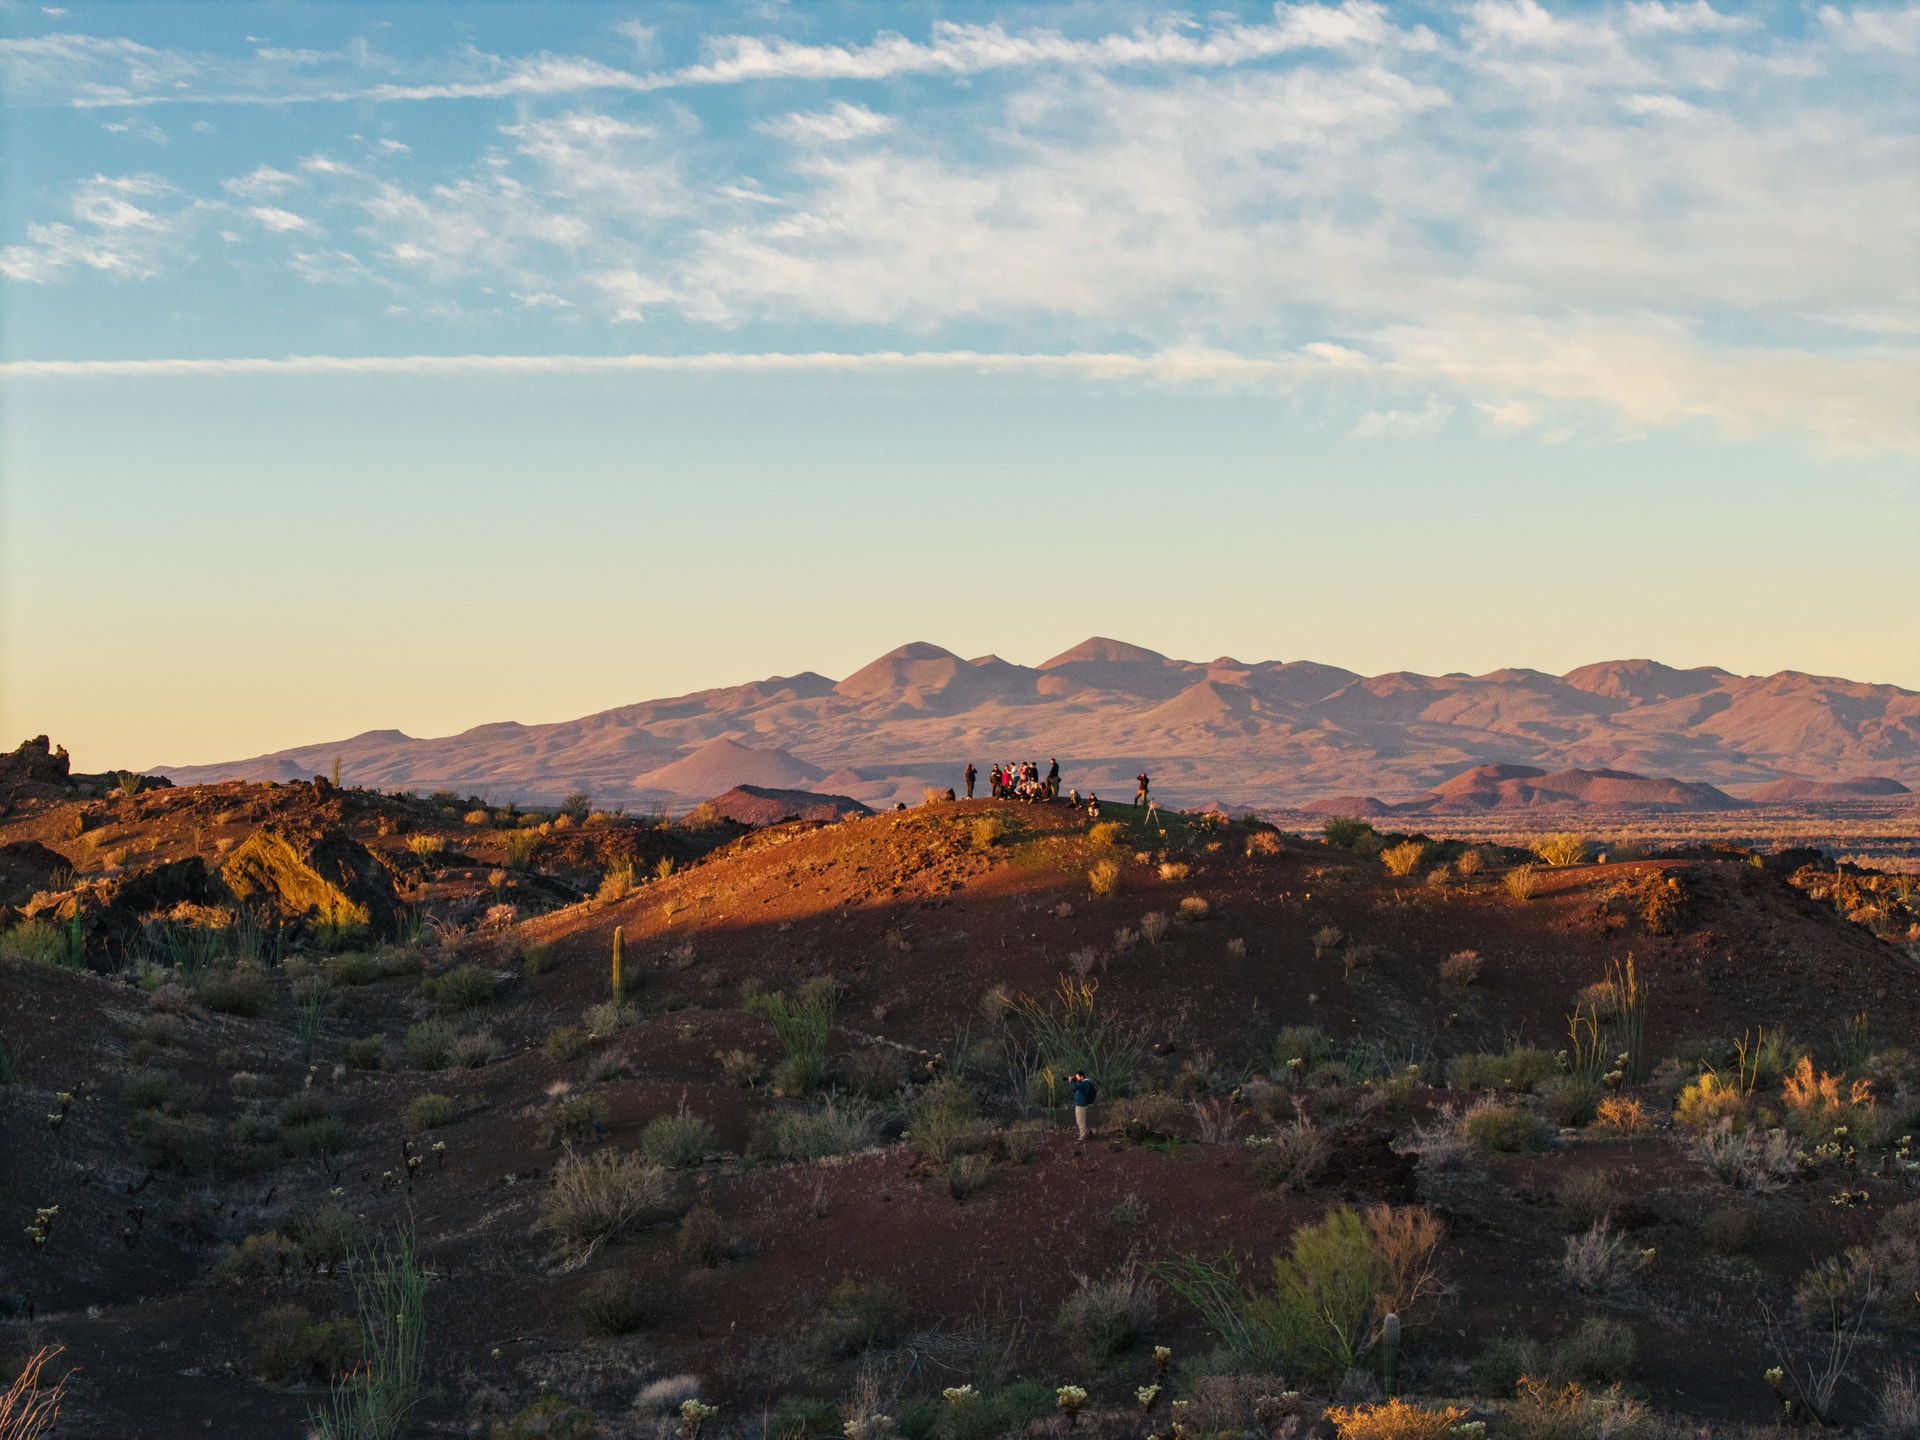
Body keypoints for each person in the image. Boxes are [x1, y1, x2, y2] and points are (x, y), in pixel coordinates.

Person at [1068, 1071, 1098, 1141]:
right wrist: (1075, 1081)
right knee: (1080, 1121)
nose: (1077, 1078)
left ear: (1082, 1076)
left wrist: (1071, 1081)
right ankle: (1086, 1133)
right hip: (1079, 1104)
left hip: (1081, 1105)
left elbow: (1075, 1087)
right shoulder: (1082, 1083)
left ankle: (1083, 1136)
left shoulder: (1085, 1083)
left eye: (1078, 1077)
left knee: (1080, 1121)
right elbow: (1076, 1088)